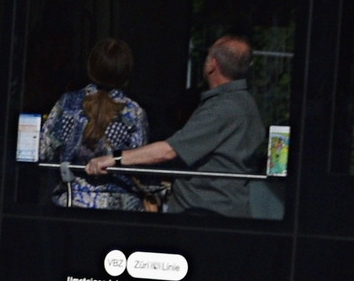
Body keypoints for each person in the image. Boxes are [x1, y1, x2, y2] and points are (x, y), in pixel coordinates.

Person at [89, 35, 265, 216]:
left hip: (205, 213)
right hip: (227, 209)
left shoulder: (222, 109)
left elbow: (168, 150)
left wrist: (113, 158)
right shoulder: (247, 104)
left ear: (212, 64)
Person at [40, 38, 148, 210]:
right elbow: (139, 161)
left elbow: (43, 149)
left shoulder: (68, 103)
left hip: (71, 202)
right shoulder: (133, 112)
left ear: (91, 67)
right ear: (126, 71)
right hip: (119, 209)